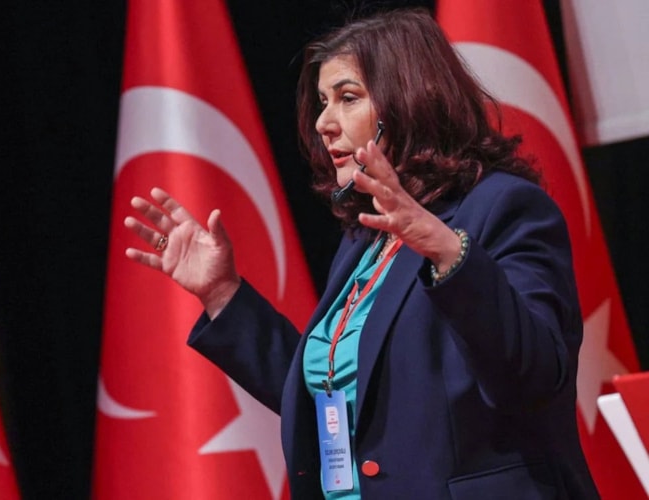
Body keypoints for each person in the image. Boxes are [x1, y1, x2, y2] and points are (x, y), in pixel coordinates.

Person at [123, 8, 599, 499]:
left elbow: (535, 377)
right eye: (322, 103)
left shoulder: (503, 208)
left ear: (410, 100)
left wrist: (446, 252)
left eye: (347, 98)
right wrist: (223, 294)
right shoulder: (364, 239)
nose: (323, 123)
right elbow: (333, 396)